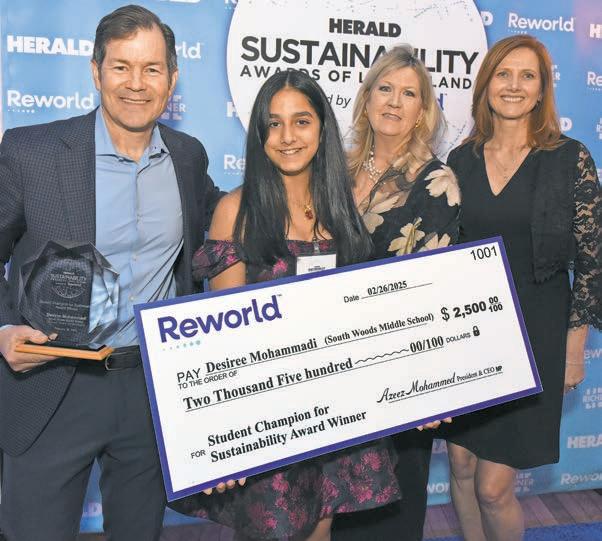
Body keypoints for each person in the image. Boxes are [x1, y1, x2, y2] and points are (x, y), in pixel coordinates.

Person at [0, 5, 222, 540]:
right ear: (96, 71)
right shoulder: (31, 152)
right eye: (121, 66)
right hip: (52, 383)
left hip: (150, 391)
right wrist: (3, 329)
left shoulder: (189, 157)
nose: (136, 84)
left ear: (172, 78)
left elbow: (232, 228)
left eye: (151, 68)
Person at [169, 69, 400, 541]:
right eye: (274, 124)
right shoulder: (237, 211)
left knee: (320, 531)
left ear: (322, 129)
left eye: (301, 121)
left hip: (334, 405)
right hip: (267, 414)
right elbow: (223, 340)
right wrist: (225, 434)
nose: (288, 136)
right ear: (259, 135)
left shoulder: (342, 210)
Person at [441, 35, 601, 541]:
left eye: (527, 75)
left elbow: (592, 262)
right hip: (469, 332)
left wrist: (573, 349)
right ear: (486, 85)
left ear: (542, 89)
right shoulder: (461, 159)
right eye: (503, 74)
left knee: (493, 488)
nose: (513, 85)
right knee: (461, 468)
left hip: (536, 334)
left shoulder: (569, 158)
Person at [331, 45, 460, 541]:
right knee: (336, 506)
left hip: (398, 367)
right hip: (334, 363)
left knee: (390, 510)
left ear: (423, 111)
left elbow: (435, 290)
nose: (393, 101)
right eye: (384, 88)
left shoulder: (437, 182)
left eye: (409, 94)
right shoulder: (336, 170)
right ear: (366, 99)